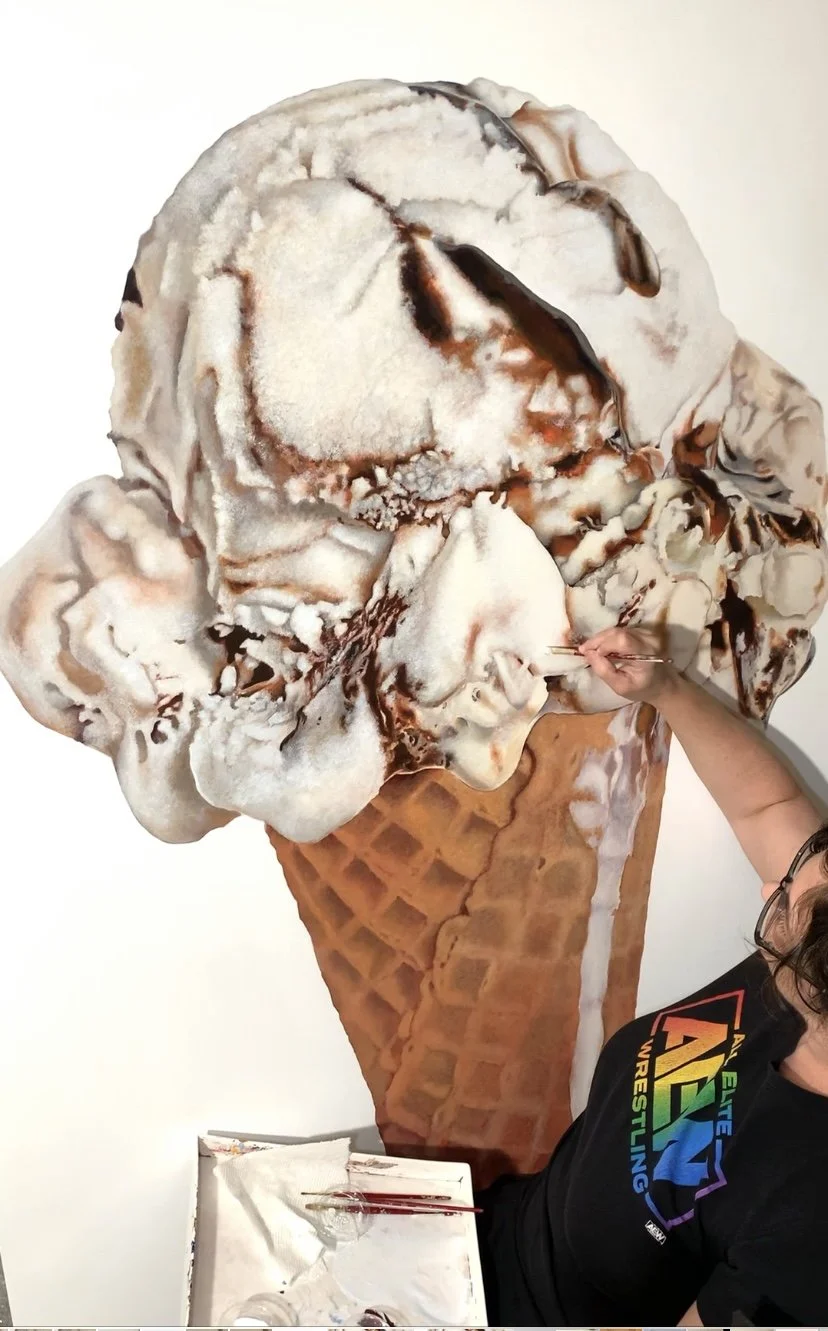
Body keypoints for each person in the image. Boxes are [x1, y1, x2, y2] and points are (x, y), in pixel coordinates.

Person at [476, 626, 828, 1328]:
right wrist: (665, 687)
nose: (771, 884)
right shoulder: (802, 964)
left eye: (786, 895)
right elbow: (766, 807)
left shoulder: (810, 1229)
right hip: (491, 1235)